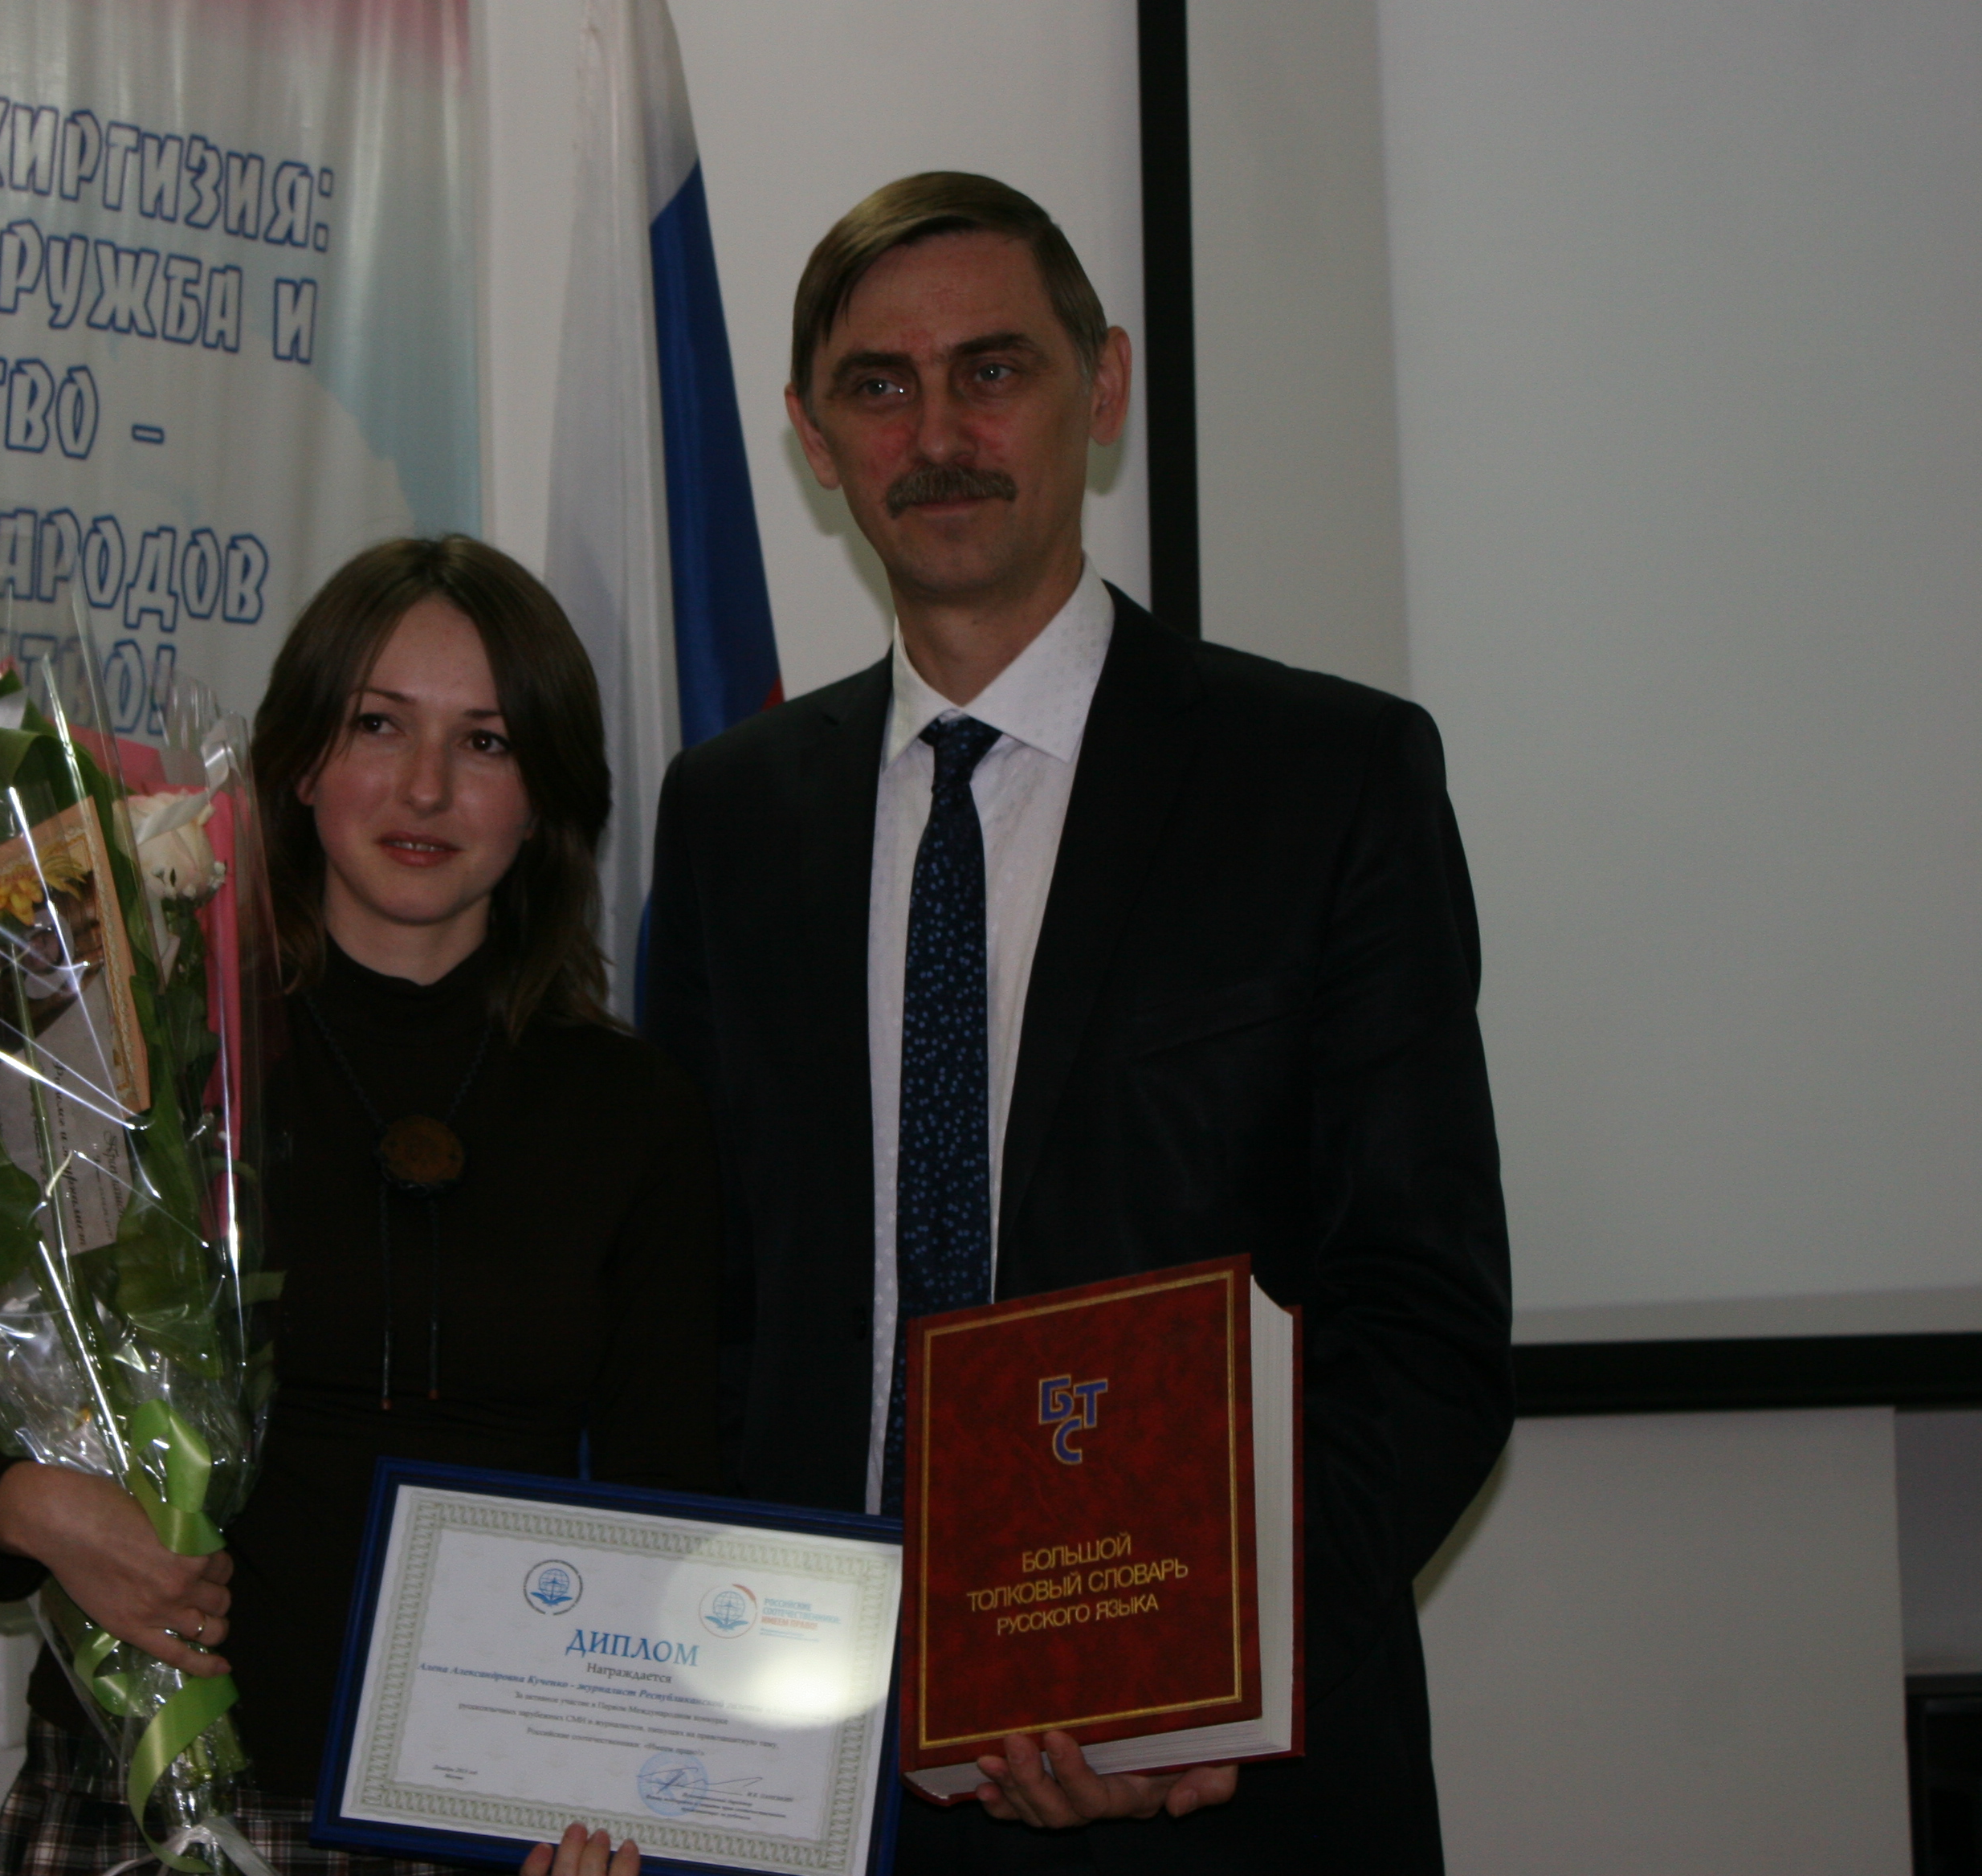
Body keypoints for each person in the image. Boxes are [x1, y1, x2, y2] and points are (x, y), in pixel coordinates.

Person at [640, 173, 1513, 1872]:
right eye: (879, 387)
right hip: (821, 1785)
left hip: (1210, 1794)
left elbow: (1421, 1321)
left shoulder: (1327, 780)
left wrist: (1189, 1683)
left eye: (994, 369)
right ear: (812, 438)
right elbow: (703, 1309)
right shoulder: (731, 815)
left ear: (1101, 386)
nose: (937, 434)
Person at [0, 536, 716, 1876]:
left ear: (546, 794)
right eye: (379, 724)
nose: (425, 786)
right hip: (158, 1807)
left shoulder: (636, 1112)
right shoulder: (144, 1054)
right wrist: (41, 1512)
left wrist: (634, 1802)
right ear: (303, 761)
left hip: (491, 1829)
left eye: (486, 741)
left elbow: (682, 1514)